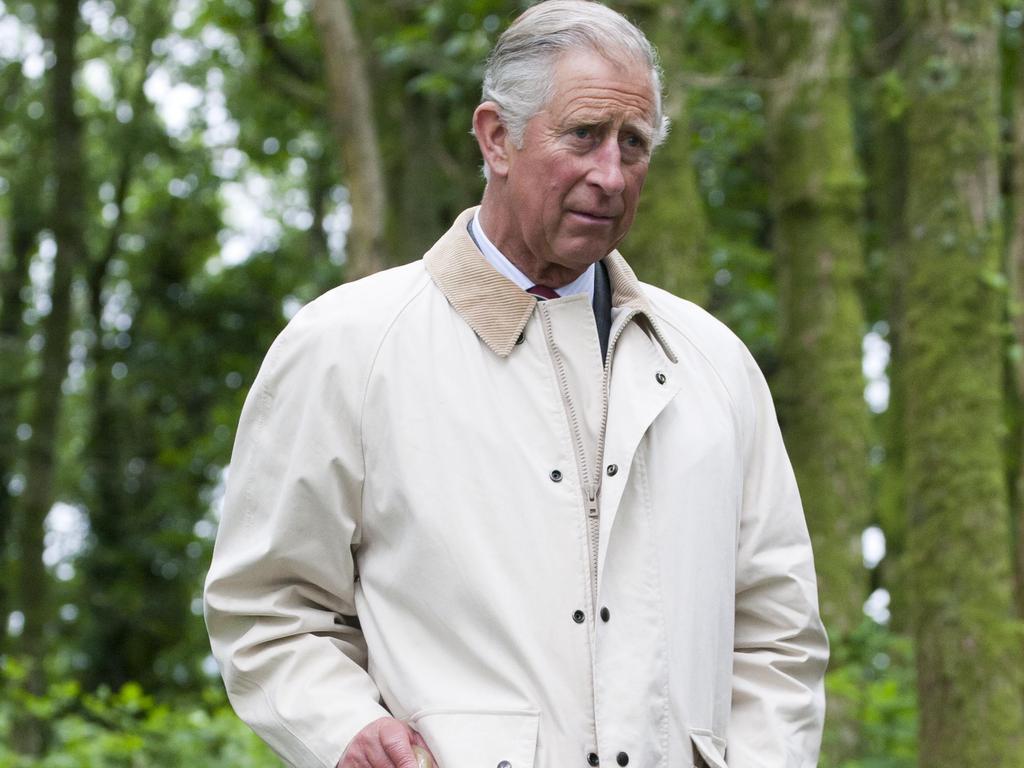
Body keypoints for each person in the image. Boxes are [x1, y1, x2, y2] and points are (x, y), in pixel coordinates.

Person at [203, 2, 829, 767]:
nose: (610, 173)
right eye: (584, 135)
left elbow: (778, 634)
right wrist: (342, 730)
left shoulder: (716, 364)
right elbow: (265, 607)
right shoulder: (347, 347)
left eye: (633, 144)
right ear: (497, 137)